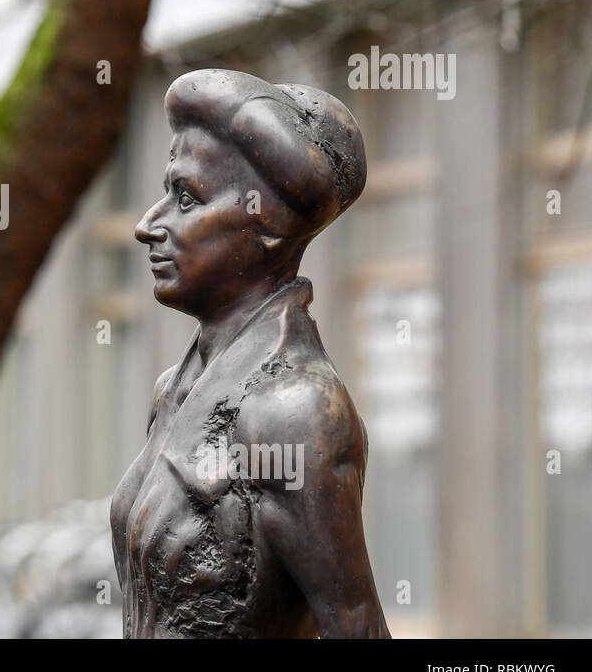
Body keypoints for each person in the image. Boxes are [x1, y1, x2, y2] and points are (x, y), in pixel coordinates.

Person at [110, 68, 390, 638]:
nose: (148, 225)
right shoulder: (174, 391)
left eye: (186, 197)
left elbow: (356, 626)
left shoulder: (294, 411)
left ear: (269, 224)